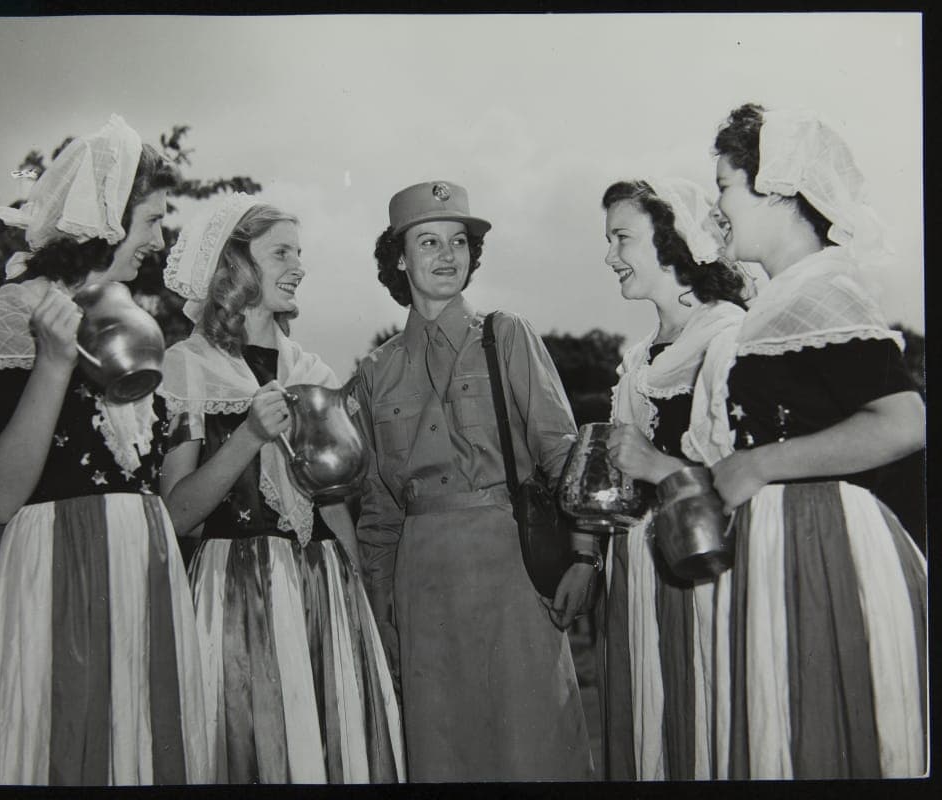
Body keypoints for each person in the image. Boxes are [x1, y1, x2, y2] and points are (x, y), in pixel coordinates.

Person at [0, 115, 209, 785]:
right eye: (148, 219)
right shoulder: (7, 319)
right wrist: (54, 363)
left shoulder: (141, 331)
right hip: (57, 575)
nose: (158, 236)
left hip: (144, 576)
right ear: (106, 219)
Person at [683, 104, 926, 778]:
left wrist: (760, 463)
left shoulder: (823, 292)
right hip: (785, 545)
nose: (715, 208)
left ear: (780, 192)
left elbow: (903, 421)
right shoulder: (784, 299)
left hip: (828, 548)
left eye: (726, 186)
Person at [353, 180, 596, 781]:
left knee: (534, 744)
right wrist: (380, 609)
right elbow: (379, 511)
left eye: (458, 241)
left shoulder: (507, 335)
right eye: (428, 241)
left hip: (509, 564)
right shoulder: (374, 373)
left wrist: (585, 558)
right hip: (421, 579)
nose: (446, 255)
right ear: (400, 259)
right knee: (443, 751)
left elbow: (562, 453)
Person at [158, 193, 403, 784]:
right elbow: (176, 514)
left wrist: (360, 603)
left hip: (324, 588)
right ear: (235, 265)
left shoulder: (313, 373)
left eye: (300, 252)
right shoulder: (184, 366)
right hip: (237, 591)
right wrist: (246, 436)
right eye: (281, 252)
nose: (299, 266)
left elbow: (332, 503)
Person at [598, 177, 747, 780]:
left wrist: (656, 467)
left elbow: (741, 474)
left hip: (702, 570)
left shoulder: (727, 337)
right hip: (638, 571)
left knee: (707, 717)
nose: (610, 256)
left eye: (622, 237)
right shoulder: (638, 359)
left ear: (673, 239)